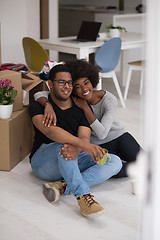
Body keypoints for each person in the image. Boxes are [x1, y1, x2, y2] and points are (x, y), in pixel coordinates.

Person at [29, 63, 122, 218]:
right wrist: (81, 145)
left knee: (114, 161)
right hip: (43, 162)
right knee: (64, 146)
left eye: (70, 83)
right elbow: (50, 131)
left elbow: (84, 136)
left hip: (70, 156)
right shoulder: (38, 107)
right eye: (61, 82)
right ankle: (83, 196)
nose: (67, 86)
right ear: (50, 84)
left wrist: (80, 147)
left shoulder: (80, 107)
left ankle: (63, 186)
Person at [34, 59, 141, 178]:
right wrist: (47, 104)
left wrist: (86, 108)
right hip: (94, 145)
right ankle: (75, 181)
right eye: (78, 86)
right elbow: (40, 94)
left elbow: (102, 134)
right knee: (109, 166)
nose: (84, 89)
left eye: (86, 83)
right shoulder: (73, 99)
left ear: (92, 81)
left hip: (117, 137)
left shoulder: (108, 99)